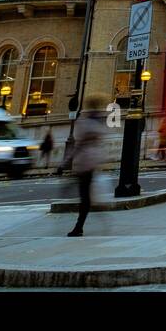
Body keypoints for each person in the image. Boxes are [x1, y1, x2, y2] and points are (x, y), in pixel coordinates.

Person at [61, 93, 110, 237]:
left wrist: (65, 162)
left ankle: (79, 226)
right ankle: (83, 224)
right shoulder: (99, 121)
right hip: (93, 161)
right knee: (86, 196)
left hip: (84, 162)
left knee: (84, 196)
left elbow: (79, 144)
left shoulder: (85, 122)